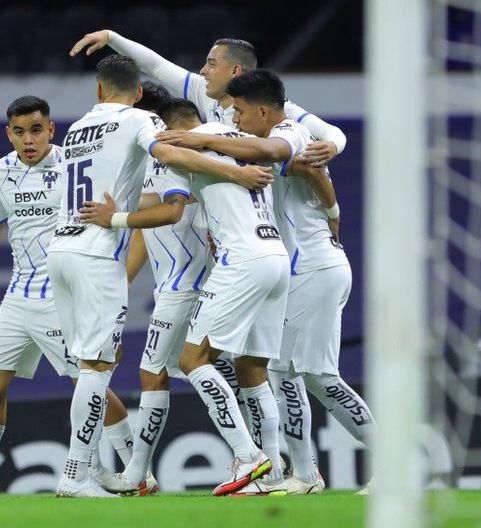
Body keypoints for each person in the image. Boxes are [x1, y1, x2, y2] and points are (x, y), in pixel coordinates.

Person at [48, 55, 274, 498]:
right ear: (137, 96)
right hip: (104, 255)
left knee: (109, 367)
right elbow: (168, 163)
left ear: (98, 90)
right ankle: (85, 474)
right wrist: (238, 172)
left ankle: (111, 472)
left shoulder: (77, 129)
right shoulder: (144, 127)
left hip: (65, 250)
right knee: (106, 368)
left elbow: (166, 204)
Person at [158, 70, 375, 495]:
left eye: (239, 111)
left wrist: (333, 215)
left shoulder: (289, 132)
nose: (235, 119)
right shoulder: (241, 140)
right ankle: (300, 474)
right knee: (275, 370)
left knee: (317, 375)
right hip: (285, 264)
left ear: (262, 110)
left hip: (313, 264)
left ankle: (392, 463)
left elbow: (294, 161)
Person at [0, 96, 137, 499]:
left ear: (51, 130)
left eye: (36, 130)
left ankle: (134, 469)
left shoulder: (73, 165)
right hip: (17, 296)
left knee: (88, 382)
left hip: (61, 296)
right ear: (9, 134)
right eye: (20, 132)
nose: (28, 140)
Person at [75, 81, 211, 495]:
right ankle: (268, 458)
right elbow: (144, 232)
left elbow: (166, 212)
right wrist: (122, 282)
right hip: (185, 284)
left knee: (156, 372)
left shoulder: (172, 157)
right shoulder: (151, 162)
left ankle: (137, 473)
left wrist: (116, 216)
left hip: (189, 284)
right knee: (226, 374)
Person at [69, 30, 346, 167]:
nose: (202, 71)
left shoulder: (272, 108)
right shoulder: (202, 91)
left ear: (235, 70)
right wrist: (111, 37)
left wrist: (333, 146)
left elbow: (331, 132)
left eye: (211, 64)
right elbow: (156, 66)